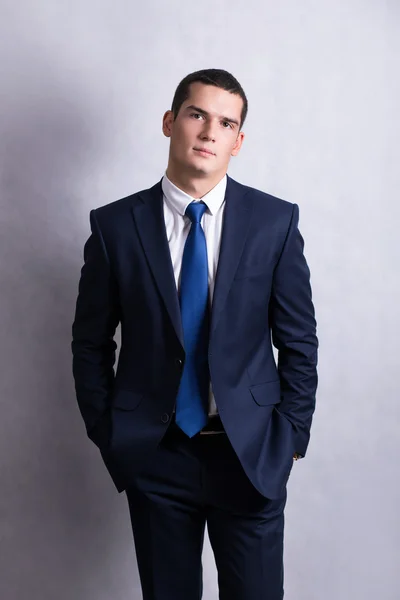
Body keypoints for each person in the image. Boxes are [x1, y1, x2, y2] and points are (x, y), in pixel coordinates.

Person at [71, 68, 318, 600]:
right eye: (197, 114)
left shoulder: (274, 223)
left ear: (238, 141)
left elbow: (299, 342)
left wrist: (291, 438)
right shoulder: (115, 227)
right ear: (170, 122)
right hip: (157, 456)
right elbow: (90, 342)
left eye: (226, 123)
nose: (210, 131)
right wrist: (108, 429)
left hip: (249, 454)